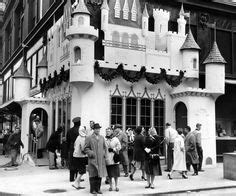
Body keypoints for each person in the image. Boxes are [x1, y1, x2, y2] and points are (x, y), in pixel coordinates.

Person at [84, 123, 107, 194]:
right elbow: (85, 148)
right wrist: (91, 153)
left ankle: (98, 189)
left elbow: (104, 147)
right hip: (93, 160)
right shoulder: (89, 137)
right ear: (94, 129)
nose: (98, 130)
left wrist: (104, 154)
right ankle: (93, 189)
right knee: (93, 175)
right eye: (96, 129)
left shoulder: (102, 137)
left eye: (99, 129)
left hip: (100, 160)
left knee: (99, 175)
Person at [105, 127, 121, 192]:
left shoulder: (115, 139)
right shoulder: (104, 139)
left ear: (111, 131)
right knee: (110, 174)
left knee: (116, 174)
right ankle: (111, 186)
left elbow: (119, 147)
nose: (107, 132)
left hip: (115, 158)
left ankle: (116, 186)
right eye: (106, 131)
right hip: (108, 158)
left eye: (108, 131)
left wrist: (113, 149)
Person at [66, 117, 81, 182]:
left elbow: (67, 140)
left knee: (72, 163)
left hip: (71, 148)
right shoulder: (80, 130)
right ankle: (77, 178)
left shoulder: (69, 130)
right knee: (78, 163)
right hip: (78, 148)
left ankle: (71, 178)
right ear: (79, 123)